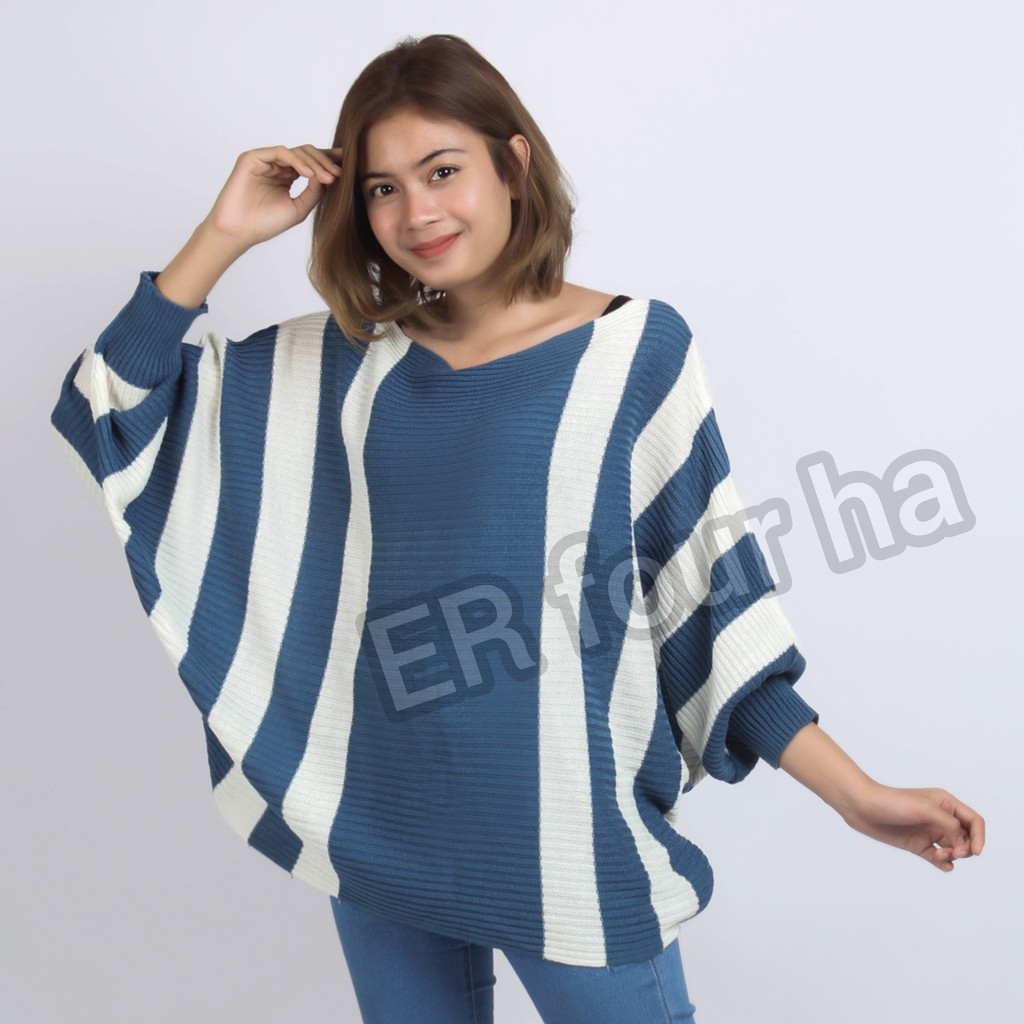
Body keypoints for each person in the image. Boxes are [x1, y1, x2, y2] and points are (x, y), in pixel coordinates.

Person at [50, 33, 984, 1024]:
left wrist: (856, 795)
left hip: (568, 846)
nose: (417, 213)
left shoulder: (635, 355)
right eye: (381, 188)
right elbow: (108, 407)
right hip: (377, 834)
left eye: (442, 170)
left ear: (512, 163)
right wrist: (224, 233)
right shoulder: (339, 365)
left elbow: (711, 613)